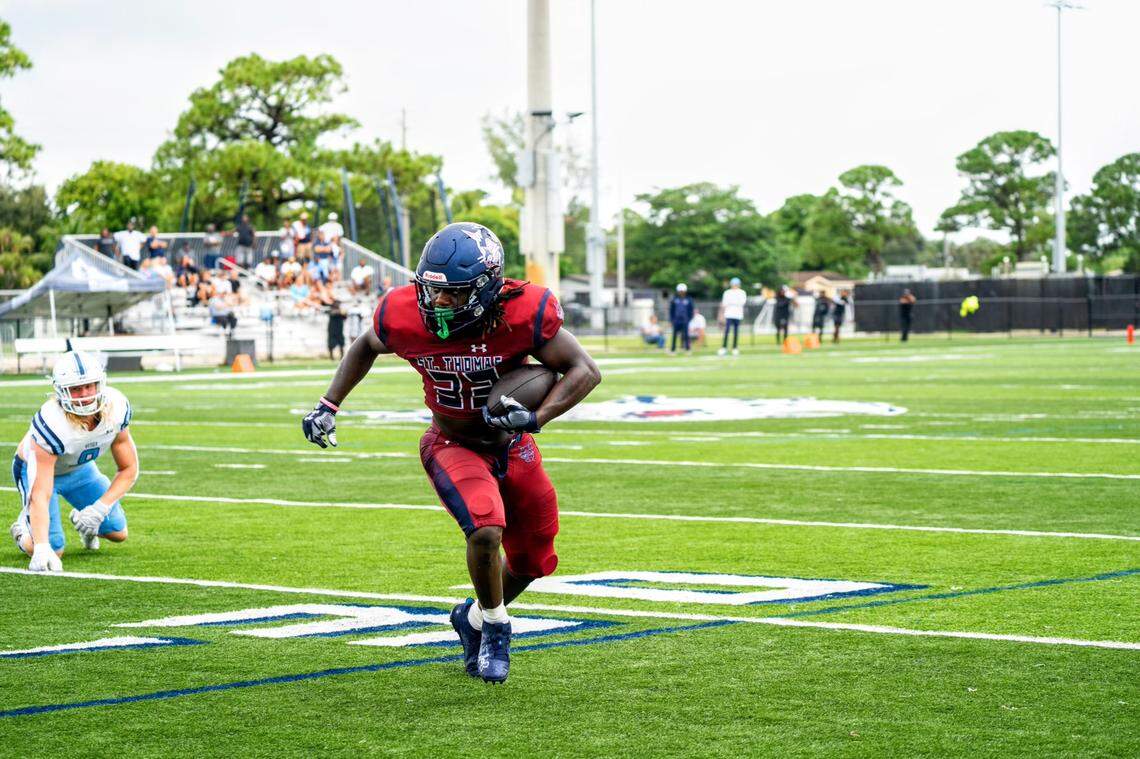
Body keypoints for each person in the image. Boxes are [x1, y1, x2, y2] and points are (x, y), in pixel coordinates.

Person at [302, 221, 601, 684]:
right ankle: (498, 627)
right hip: (451, 443)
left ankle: (474, 618)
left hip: (512, 445)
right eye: (431, 290)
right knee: (485, 528)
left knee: (534, 560)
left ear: (486, 287)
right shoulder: (403, 314)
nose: (438, 302)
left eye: (454, 294)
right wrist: (328, 404)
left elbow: (584, 370)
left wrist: (537, 418)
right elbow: (365, 344)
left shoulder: (524, 311)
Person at [9, 350, 137, 571]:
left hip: (80, 469)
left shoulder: (116, 407)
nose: (85, 394)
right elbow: (40, 492)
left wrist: (98, 509)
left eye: (89, 386)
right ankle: (22, 531)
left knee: (118, 532)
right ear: (61, 391)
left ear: (100, 384)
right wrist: (40, 546)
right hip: (37, 473)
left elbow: (128, 468)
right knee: (53, 549)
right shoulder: (52, 422)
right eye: (76, 389)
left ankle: (81, 519)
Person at [717, 277, 746, 356]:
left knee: (736, 332)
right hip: (729, 314)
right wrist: (734, 302)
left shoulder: (742, 292)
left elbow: (742, 302)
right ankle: (724, 347)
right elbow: (725, 303)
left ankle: (735, 347)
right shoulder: (727, 292)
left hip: (738, 315)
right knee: (726, 331)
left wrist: (733, 302)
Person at [668, 283, 694, 354]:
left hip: (685, 320)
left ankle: (687, 349)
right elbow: (671, 311)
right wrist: (671, 320)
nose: (681, 292)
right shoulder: (674, 299)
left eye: (683, 291)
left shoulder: (689, 299)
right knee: (674, 335)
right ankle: (673, 349)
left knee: (686, 335)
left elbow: (691, 310)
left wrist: (689, 319)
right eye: (680, 291)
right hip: (676, 320)